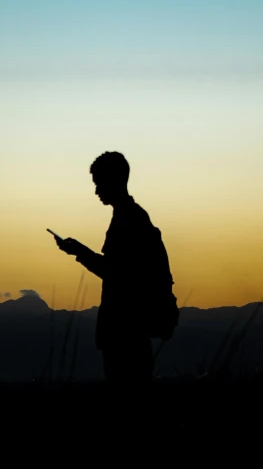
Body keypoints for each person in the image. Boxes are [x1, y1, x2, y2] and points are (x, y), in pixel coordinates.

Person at [53, 151, 174, 390]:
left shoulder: (129, 221)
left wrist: (79, 252)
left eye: (99, 184)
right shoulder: (131, 217)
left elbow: (117, 274)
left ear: (115, 181)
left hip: (126, 332)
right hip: (129, 331)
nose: (97, 191)